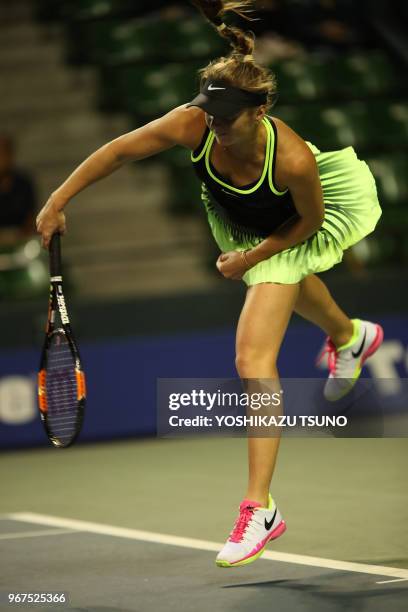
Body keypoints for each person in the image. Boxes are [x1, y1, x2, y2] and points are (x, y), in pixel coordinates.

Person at [36, 0, 383, 568]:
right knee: (285, 285)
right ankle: (349, 337)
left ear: (261, 111)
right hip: (241, 215)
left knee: (253, 357)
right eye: (210, 115)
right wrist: (57, 200)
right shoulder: (193, 123)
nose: (215, 127)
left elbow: (309, 225)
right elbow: (119, 150)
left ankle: (259, 507)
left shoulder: (293, 159)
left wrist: (251, 259)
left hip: (297, 219)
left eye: (227, 118)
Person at [0, 134, 37, 246]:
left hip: (21, 242)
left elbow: (31, 215)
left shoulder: (24, 183)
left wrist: (20, 237)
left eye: (3, 153)